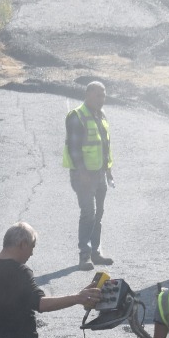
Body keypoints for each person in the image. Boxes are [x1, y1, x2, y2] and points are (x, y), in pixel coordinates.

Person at [63, 81, 114, 271]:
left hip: (100, 173)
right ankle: (84, 256)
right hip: (83, 175)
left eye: (104, 95)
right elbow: (74, 147)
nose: (102, 99)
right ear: (88, 94)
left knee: (98, 214)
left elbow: (104, 146)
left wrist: (108, 170)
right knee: (88, 214)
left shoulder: (101, 115)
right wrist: (82, 172)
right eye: (98, 95)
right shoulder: (77, 116)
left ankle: (95, 253)